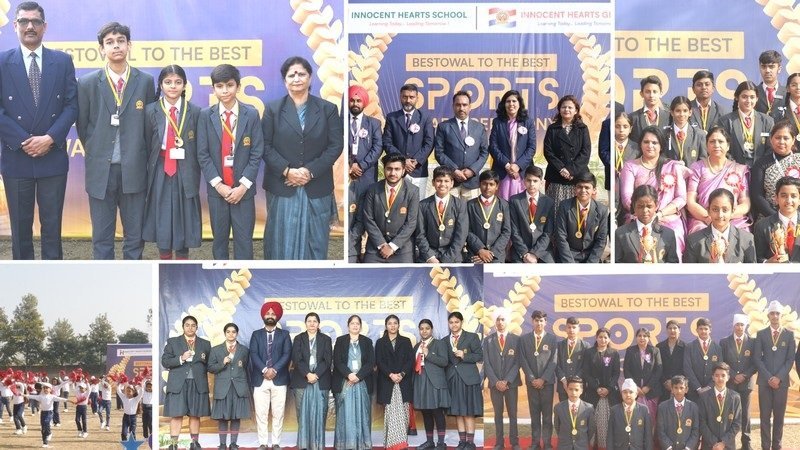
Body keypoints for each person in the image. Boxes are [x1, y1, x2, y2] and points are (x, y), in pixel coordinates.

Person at [0, 1, 78, 260]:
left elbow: (71, 105)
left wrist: (50, 138)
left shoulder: (62, 61)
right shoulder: (2, 62)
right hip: (16, 157)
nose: (30, 26)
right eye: (24, 21)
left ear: (45, 26)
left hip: (52, 157)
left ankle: (53, 277)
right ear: (15, 26)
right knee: (20, 232)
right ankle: (24, 277)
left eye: (35, 21)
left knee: (52, 230)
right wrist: (25, 141)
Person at [76, 21, 156, 259]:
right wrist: (98, 151)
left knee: (135, 237)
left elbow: (150, 128)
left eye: (121, 41)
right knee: (102, 238)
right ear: (102, 49)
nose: (116, 46)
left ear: (129, 45)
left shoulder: (145, 81)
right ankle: (104, 279)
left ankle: (133, 279)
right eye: (109, 42)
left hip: (134, 170)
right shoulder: (88, 83)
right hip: (101, 171)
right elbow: (83, 126)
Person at [262, 56, 342, 260]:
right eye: (291, 75)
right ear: (285, 81)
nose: (296, 78)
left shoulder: (327, 109)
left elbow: (335, 146)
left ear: (310, 77)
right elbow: (264, 145)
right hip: (282, 185)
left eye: (301, 74)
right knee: (281, 241)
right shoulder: (273, 109)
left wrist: (309, 171)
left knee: (316, 241)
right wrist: (287, 171)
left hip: (316, 184)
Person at [197, 63, 263, 260]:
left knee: (244, 242)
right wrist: (219, 186)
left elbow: (256, 153)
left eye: (229, 85)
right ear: (213, 88)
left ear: (238, 86)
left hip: (244, 191)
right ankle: (221, 274)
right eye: (219, 86)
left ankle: (246, 273)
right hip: (218, 193)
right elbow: (203, 154)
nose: (225, 90)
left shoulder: (251, 114)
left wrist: (243, 186)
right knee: (219, 242)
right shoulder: (205, 116)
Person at [143, 64, 201, 259]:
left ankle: (182, 261)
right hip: (160, 169)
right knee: (162, 216)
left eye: (178, 82)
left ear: (184, 85)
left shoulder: (195, 112)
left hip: (185, 170)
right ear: (161, 85)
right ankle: (165, 259)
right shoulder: (150, 111)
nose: (173, 86)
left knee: (184, 219)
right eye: (168, 82)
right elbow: (146, 143)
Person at [619, 126, 687, 257]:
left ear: (661, 146)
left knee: (675, 234)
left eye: (654, 142)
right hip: (638, 215)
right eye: (646, 142)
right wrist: (643, 213)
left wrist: (659, 214)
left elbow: (681, 198)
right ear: (640, 144)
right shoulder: (631, 166)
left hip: (667, 217)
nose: (650, 146)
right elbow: (627, 197)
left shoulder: (672, 166)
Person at [686, 126, 751, 234]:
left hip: (732, 218)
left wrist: (725, 217)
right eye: (712, 141)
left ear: (728, 146)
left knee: (742, 234)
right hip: (703, 219)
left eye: (720, 141)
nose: (716, 145)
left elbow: (745, 203)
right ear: (707, 146)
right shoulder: (697, 168)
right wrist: (709, 217)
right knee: (699, 233)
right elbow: (690, 202)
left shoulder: (739, 169)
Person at [161, 315, 211, 450]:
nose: (190, 328)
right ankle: (173, 444)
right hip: (178, 384)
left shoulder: (205, 344)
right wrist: (181, 358)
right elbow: (165, 361)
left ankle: (194, 443)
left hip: (198, 384)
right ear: (183, 327)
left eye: (193, 325)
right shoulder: (173, 342)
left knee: (195, 414)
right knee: (177, 414)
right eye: (187, 325)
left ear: (197, 327)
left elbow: (210, 364)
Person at [249, 301, 292, 450]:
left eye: (273, 314)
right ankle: (262, 443)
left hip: (279, 379)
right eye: (268, 313)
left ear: (277, 317)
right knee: (261, 413)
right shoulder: (256, 334)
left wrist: (274, 370)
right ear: (263, 315)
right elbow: (253, 353)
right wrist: (264, 370)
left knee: (278, 413)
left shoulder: (284, 335)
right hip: (260, 379)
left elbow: (287, 354)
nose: (270, 316)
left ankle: (275, 443)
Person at [361, 153, 420, 263]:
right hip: (376, 248)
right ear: (384, 169)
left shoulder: (413, 191)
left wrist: (393, 246)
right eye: (389, 169)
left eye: (397, 169)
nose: (393, 173)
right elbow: (368, 219)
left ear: (403, 170)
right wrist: (382, 244)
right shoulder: (372, 190)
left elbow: (411, 222)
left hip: (402, 249)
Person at [753, 300, 796, 450]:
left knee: (779, 417)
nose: (775, 316)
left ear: (781, 315)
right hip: (764, 383)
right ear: (768, 315)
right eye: (772, 313)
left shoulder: (789, 335)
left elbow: (790, 359)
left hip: (781, 383)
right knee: (764, 417)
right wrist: (769, 378)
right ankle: (765, 447)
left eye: (777, 313)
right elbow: (757, 358)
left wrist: (778, 378)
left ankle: (777, 446)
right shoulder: (761, 334)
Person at [383, 83, 435, 200]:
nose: (408, 100)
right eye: (405, 97)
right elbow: (387, 142)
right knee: (396, 203)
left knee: (417, 204)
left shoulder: (425, 117)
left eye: (411, 97)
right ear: (400, 97)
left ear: (417, 98)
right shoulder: (392, 117)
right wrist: (402, 161)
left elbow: (429, 142)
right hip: (397, 170)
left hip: (418, 170)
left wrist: (415, 161)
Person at [434, 90, 489, 200]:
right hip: (451, 181)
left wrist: (472, 170)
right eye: (458, 105)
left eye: (464, 105)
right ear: (453, 106)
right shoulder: (444, 127)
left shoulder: (479, 127)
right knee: (450, 210)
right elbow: (439, 152)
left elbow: (484, 153)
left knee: (471, 210)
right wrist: (454, 170)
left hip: (472, 181)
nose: (461, 108)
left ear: (470, 107)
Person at [291, 312, 332, 450]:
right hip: (302, 380)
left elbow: (327, 360)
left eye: (315, 321)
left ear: (318, 324)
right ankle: (304, 445)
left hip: (321, 380)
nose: (312, 323)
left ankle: (318, 445)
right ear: (305, 323)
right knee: (302, 414)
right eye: (309, 321)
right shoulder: (299, 338)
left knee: (320, 414)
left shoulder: (326, 339)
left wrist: (316, 374)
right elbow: (296, 358)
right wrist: (308, 374)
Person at [543, 94, 592, 209]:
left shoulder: (582, 128)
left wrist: (570, 170)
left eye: (570, 107)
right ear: (559, 110)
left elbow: (585, 152)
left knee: (575, 211)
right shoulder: (552, 128)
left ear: (576, 111)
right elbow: (548, 151)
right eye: (564, 107)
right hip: (556, 176)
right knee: (555, 210)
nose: (567, 110)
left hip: (576, 177)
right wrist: (561, 169)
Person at [333, 315, 374, 450]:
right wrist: (349, 375)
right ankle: (345, 445)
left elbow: (371, 362)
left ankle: (362, 444)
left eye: (357, 323)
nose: (355, 326)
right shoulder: (340, 341)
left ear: (360, 326)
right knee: (345, 414)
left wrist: (358, 376)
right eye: (352, 323)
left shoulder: (367, 341)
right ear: (348, 326)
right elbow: (337, 361)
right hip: (345, 382)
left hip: (362, 382)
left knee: (363, 414)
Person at [482, 308, 521, 450]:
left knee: (513, 414)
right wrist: (495, 381)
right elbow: (486, 363)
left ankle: (514, 442)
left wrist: (507, 381)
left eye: (503, 319)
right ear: (494, 322)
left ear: (507, 321)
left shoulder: (516, 339)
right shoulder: (488, 340)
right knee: (498, 415)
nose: (500, 322)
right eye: (498, 319)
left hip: (511, 384)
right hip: (495, 385)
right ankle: (499, 443)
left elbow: (518, 362)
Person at [443, 311, 483, 450]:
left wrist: (464, 355)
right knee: (458, 411)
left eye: (456, 322)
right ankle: (462, 442)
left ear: (461, 322)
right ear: (448, 324)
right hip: (452, 379)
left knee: (468, 412)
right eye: (451, 322)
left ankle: (470, 443)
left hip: (468, 379)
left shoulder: (472, 337)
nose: (454, 325)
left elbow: (479, 356)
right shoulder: (444, 340)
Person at [683, 188, 757, 263]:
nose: (720, 215)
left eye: (725, 210)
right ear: (708, 210)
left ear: (732, 211)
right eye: (715, 209)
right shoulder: (694, 241)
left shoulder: (746, 239)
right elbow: (689, 270)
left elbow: (752, 269)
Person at [208, 323, 251, 450]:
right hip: (223, 388)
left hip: (238, 387)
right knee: (222, 417)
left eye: (233, 332)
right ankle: (222, 444)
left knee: (236, 416)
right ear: (224, 333)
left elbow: (246, 367)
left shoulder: (244, 350)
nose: (231, 334)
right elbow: (210, 368)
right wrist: (223, 363)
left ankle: (233, 443)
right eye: (228, 331)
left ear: (237, 334)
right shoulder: (216, 350)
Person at [519, 310, 558, 450]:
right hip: (532, 384)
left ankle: (547, 443)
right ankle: (535, 443)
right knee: (534, 415)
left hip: (547, 384)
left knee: (547, 415)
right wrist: (532, 378)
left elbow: (553, 361)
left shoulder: (552, 339)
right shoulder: (524, 339)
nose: (539, 323)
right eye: (536, 320)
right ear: (532, 321)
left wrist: (543, 379)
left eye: (541, 320)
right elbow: (523, 360)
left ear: (545, 322)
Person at [415, 165, 469, 263]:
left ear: (452, 183)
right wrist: (430, 257)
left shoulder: (460, 204)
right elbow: (420, 234)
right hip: (429, 256)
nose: (442, 184)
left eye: (446, 181)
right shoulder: (423, 205)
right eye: (439, 181)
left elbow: (461, 235)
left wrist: (447, 258)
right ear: (433, 183)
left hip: (452, 256)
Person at [375, 314, 414, 450]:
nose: (392, 326)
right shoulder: (380, 342)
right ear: (386, 326)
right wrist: (391, 374)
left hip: (403, 382)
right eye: (390, 323)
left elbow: (410, 360)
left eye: (395, 323)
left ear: (398, 325)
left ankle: (402, 444)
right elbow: (379, 361)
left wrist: (401, 374)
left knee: (403, 414)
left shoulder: (406, 341)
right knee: (391, 415)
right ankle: (392, 445)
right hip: (387, 382)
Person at [489, 89, 536, 199]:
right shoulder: (497, 122)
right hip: (503, 171)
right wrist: (507, 165)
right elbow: (493, 146)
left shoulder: (528, 122)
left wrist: (518, 166)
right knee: (503, 204)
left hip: (522, 172)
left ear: (519, 104)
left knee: (522, 205)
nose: (511, 104)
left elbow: (532, 147)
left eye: (514, 101)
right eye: (508, 101)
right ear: (504, 104)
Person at [615, 184, 679, 263]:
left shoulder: (668, 234)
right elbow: (616, 263)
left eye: (649, 206)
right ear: (634, 206)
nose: (645, 210)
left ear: (656, 206)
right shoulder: (621, 234)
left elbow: (673, 263)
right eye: (640, 206)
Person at [750, 120, 800, 222]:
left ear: (793, 140)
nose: (781, 141)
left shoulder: (798, 159)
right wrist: (778, 218)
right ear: (771, 139)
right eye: (777, 138)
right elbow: (757, 196)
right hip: (769, 218)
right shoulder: (761, 164)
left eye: (786, 138)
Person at [554, 171, 609, 263]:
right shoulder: (564, 206)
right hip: (568, 256)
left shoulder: (602, 210)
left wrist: (590, 263)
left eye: (587, 187)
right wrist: (569, 263)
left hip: (590, 256)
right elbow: (561, 236)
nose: (583, 190)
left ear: (594, 190)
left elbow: (601, 240)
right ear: (574, 189)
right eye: (579, 187)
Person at [717, 81, 774, 167]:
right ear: (737, 97)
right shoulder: (725, 121)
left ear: (757, 98)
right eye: (744, 97)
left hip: (760, 168)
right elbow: (723, 148)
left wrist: (760, 167)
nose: (748, 101)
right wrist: (735, 167)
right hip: (733, 169)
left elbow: (771, 148)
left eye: (752, 97)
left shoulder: (768, 121)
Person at [581, 327, 621, 450]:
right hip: (593, 393)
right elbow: (586, 373)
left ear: (609, 339)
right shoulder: (589, 353)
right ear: (596, 338)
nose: (603, 340)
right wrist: (597, 388)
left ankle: (607, 446)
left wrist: (608, 389)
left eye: (605, 337)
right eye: (600, 337)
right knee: (593, 421)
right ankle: (593, 445)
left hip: (610, 394)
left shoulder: (614, 353)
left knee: (608, 422)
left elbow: (616, 374)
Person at [719, 314, 755, 450]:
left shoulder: (753, 342)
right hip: (730, 383)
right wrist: (734, 375)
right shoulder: (724, 342)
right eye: (737, 325)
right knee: (729, 414)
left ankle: (746, 444)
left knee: (745, 415)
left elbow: (755, 362)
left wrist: (744, 375)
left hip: (746, 384)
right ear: (733, 326)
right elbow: (722, 362)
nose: (739, 327)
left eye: (742, 325)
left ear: (746, 326)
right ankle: (729, 443)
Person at [413, 319, 450, 450]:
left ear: (431, 330)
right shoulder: (416, 346)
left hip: (434, 381)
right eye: (422, 328)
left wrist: (428, 354)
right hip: (420, 380)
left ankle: (441, 443)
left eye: (427, 328)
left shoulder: (439, 344)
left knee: (437, 411)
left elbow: (444, 362)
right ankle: (429, 442)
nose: (424, 331)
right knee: (425, 412)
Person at [509, 165, 556, 263]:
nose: (531, 184)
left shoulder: (549, 202)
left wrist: (535, 254)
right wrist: (525, 253)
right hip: (520, 251)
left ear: (541, 183)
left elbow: (548, 232)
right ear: (524, 181)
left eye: (535, 181)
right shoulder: (515, 201)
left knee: (549, 270)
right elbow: (514, 231)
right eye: (529, 180)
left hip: (543, 251)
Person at [465, 170, 512, 263]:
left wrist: (492, 253)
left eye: (491, 184)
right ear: (479, 184)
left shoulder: (504, 205)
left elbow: (506, 231)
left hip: (496, 255)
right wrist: (480, 249)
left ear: (497, 186)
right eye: (484, 184)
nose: (487, 187)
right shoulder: (469, 205)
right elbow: (466, 230)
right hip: (475, 254)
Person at [347, 85, 382, 203]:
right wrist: (349, 165)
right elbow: (337, 145)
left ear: (364, 102)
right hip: (345, 172)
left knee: (366, 207)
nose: (355, 104)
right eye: (352, 100)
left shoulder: (374, 123)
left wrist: (361, 166)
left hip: (367, 173)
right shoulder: (340, 123)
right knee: (346, 208)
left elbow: (378, 147)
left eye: (358, 101)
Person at [754, 176, 800, 262]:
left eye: (793, 196)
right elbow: (757, 258)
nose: (789, 200)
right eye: (784, 196)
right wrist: (767, 263)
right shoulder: (763, 226)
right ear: (776, 198)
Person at [698, 363, 742, 450]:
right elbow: (702, 422)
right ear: (713, 377)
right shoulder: (704, 397)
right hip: (709, 446)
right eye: (717, 375)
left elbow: (737, 423)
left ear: (728, 377)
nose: (720, 378)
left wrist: (723, 442)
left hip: (727, 446)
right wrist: (714, 442)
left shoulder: (735, 397)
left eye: (723, 375)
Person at [623, 328, 662, 421]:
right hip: (634, 392)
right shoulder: (630, 351)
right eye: (639, 336)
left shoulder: (655, 350)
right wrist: (635, 387)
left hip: (651, 392)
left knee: (650, 419)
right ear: (636, 337)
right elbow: (626, 370)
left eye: (645, 336)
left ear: (648, 338)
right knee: (634, 420)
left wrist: (648, 387)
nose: (642, 338)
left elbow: (659, 370)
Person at [607, 379, 653, 450]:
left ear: (636, 394)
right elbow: (610, 435)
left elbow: (648, 435)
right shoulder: (614, 410)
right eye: (625, 392)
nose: (628, 395)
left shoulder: (644, 409)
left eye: (631, 392)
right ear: (621, 394)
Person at [656, 375, 700, 450]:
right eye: (676, 388)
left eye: (681, 388)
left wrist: (688, 448)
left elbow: (695, 431)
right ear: (672, 389)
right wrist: (668, 447)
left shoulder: (693, 407)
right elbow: (660, 431)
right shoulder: (662, 407)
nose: (679, 391)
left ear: (686, 389)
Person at [683, 318, 721, 403]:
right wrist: (698, 388)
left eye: (706, 329)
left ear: (710, 330)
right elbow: (687, 368)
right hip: (694, 391)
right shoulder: (689, 347)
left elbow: (719, 369)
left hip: (712, 390)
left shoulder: (717, 348)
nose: (703, 331)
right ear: (696, 330)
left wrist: (709, 386)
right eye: (701, 329)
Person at [24, 381, 72, 448]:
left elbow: (60, 399)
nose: (45, 389)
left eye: (47, 388)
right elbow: (31, 396)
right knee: (43, 427)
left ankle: (49, 433)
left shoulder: (52, 396)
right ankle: (45, 443)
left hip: (49, 413)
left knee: (46, 423)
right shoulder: (40, 396)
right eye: (44, 388)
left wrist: (69, 400)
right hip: (43, 413)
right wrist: (24, 395)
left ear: (50, 389)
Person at [553, 376, 595, 450]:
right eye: (570, 389)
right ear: (566, 389)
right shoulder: (558, 408)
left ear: (581, 391)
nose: (573, 392)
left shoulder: (589, 408)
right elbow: (557, 427)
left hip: (581, 446)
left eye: (576, 389)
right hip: (564, 446)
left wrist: (583, 441)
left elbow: (591, 429)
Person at [664, 96, 707, 167]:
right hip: (669, 173)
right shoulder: (664, 134)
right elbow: (660, 158)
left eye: (685, 111)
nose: (681, 114)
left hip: (693, 173)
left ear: (690, 112)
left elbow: (703, 162)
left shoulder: (699, 135)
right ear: (672, 112)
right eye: (678, 111)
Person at [556, 317, 589, 402]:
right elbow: (555, 364)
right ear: (565, 328)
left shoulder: (585, 346)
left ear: (578, 329)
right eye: (569, 327)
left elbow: (586, 366)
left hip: (579, 387)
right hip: (563, 386)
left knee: (579, 409)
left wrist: (576, 380)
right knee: (564, 409)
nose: (571, 330)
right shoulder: (559, 345)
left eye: (574, 327)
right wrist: (563, 380)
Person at [614, 111, 638, 226]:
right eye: (617, 126)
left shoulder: (637, 148)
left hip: (630, 189)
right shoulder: (608, 144)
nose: (621, 130)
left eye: (625, 126)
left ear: (631, 128)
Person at [630, 75, 670, 143]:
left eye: (655, 92)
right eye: (647, 92)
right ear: (641, 94)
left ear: (661, 93)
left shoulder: (669, 117)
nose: (651, 95)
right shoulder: (633, 118)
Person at [656, 320, 686, 403]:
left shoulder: (685, 347)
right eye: (670, 328)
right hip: (663, 386)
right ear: (667, 330)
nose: (672, 330)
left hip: (680, 385)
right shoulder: (659, 347)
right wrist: (665, 382)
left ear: (679, 330)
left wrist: (675, 382)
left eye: (675, 328)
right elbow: (657, 367)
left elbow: (686, 367)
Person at [755, 50, 785, 115]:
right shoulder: (753, 92)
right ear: (759, 68)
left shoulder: (788, 93)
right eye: (763, 66)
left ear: (779, 69)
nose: (767, 70)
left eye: (771, 67)